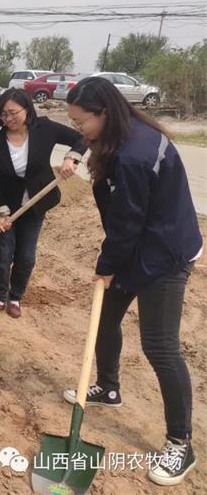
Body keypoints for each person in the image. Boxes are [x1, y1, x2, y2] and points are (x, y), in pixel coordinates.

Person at [61, 76, 202, 487]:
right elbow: (125, 222)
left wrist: (107, 264)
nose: (79, 130)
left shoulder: (135, 155)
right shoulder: (119, 135)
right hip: (139, 245)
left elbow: (126, 224)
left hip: (165, 254)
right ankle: (108, 388)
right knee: (105, 318)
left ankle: (181, 443)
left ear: (103, 113)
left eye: (80, 122)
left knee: (160, 347)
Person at [0, 88, 86, 318]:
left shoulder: (45, 129)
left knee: (26, 255)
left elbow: (81, 138)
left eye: (12, 112)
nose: (8, 119)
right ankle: (0, 296)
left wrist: (72, 157)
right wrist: (1, 213)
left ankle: (16, 297)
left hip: (35, 204)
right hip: (7, 206)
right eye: (3, 115)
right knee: (3, 252)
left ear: (26, 108)